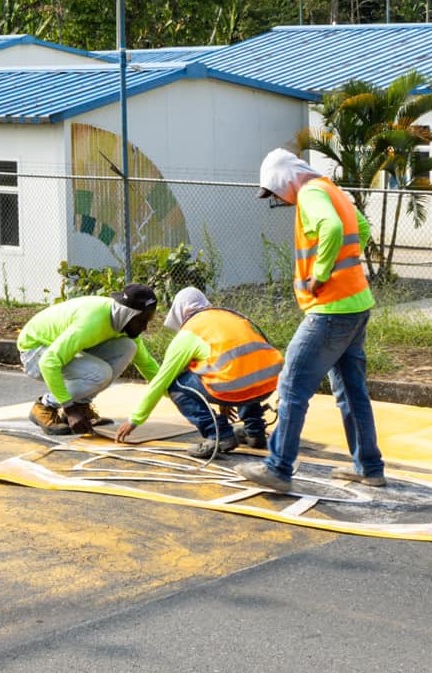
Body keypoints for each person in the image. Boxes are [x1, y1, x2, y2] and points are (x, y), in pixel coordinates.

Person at [240, 149, 386, 492]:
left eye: (274, 191)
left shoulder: (309, 193)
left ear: (284, 179)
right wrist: (346, 264)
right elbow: (362, 227)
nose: (277, 199)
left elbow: (331, 227)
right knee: (351, 391)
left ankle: (278, 468)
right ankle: (369, 468)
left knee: (292, 384)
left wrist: (322, 273)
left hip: (331, 310)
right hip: (355, 304)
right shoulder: (331, 189)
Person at [113, 287, 279, 459]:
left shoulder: (189, 333)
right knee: (247, 370)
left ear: (180, 311)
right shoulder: (229, 317)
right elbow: (239, 361)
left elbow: (161, 381)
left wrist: (134, 420)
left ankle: (218, 434)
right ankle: (255, 432)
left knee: (176, 385)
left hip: (234, 383)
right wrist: (225, 399)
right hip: (268, 382)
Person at [17, 284, 160, 435]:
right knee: (100, 374)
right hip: (34, 352)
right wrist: (69, 408)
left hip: (58, 349)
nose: (145, 327)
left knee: (128, 347)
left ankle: (81, 405)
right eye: (142, 321)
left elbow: (147, 365)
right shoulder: (90, 322)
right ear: (127, 314)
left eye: (148, 321)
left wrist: (174, 392)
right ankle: (44, 406)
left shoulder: (122, 321)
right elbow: (48, 362)